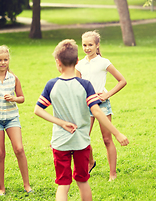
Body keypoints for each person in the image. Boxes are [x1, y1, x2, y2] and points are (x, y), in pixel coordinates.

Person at [34, 39, 129, 201]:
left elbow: (38, 110)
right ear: (77, 61)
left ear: (58, 63)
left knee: (63, 185)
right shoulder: (85, 85)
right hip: (81, 142)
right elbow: (97, 112)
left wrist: (61, 123)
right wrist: (118, 134)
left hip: (60, 142)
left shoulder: (52, 85)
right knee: (82, 181)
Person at [0, 45, 32, 196]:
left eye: (6, 60)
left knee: (19, 149)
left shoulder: (13, 78)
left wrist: (14, 98)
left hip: (11, 118)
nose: (3, 62)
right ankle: (1, 188)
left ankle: (27, 185)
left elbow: (22, 98)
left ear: (9, 60)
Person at [75, 30, 127, 181]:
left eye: (90, 44)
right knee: (83, 138)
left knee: (107, 139)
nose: (87, 48)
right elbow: (78, 85)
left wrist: (107, 94)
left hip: (102, 105)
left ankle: (112, 174)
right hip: (86, 106)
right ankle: (91, 162)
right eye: (84, 45)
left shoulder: (104, 62)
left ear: (97, 45)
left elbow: (122, 81)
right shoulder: (80, 65)